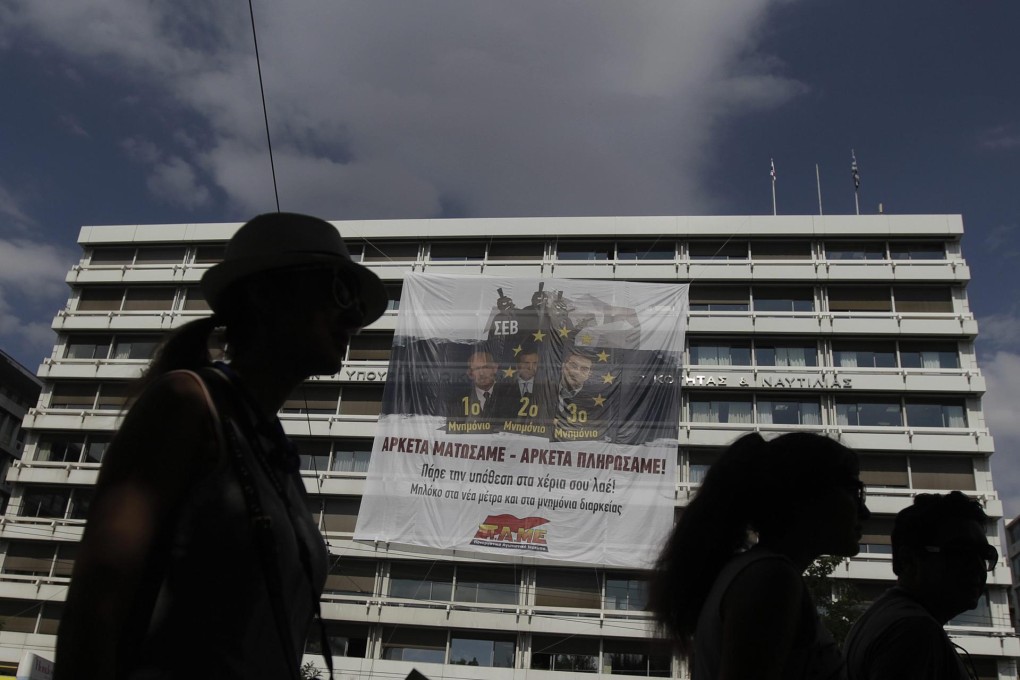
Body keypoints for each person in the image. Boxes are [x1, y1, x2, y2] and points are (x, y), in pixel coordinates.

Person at [55, 212, 388, 680]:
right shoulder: (186, 405)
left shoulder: (275, 454)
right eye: (338, 290)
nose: (354, 318)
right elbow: (97, 603)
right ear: (266, 295)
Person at [649, 432, 870, 680]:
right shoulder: (771, 578)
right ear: (808, 492)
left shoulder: (754, 572)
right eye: (855, 491)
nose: (865, 512)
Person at [844, 491, 994, 680]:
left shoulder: (887, 617)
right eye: (960, 553)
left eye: (985, 554)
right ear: (908, 561)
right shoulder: (914, 631)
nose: (978, 566)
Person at [445, 349, 502, 431]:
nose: (481, 373)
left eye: (486, 367)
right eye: (476, 369)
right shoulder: (457, 403)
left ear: (495, 369)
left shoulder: (509, 397)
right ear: (470, 373)